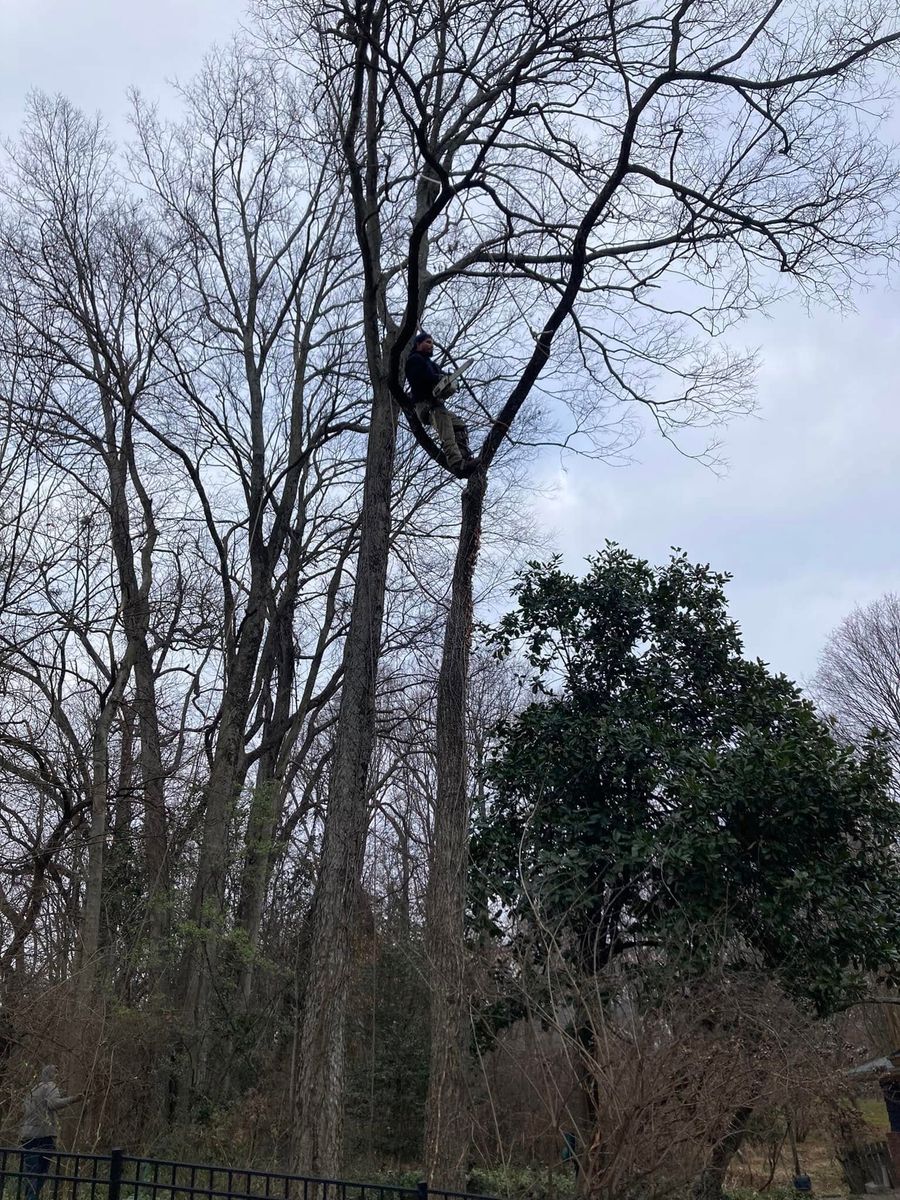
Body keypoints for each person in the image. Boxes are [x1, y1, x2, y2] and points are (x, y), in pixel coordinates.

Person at [404, 331, 474, 472]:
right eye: (428, 342)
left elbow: (441, 376)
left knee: (459, 425)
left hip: (436, 404)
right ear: (418, 344)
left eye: (432, 343)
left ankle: (464, 456)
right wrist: (437, 378)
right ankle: (456, 461)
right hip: (425, 405)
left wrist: (449, 378)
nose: (431, 345)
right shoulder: (414, 360)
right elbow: (421, 378)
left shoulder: (432, 365)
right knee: (446, 428)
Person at [20, 1066, 81, 1200]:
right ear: (51, 1075)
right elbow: (53, 1104)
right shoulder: (50, 1086)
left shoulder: (33, 1089)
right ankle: (31, 1197)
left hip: (27, 1135)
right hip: (43, 1135)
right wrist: (74, 1099)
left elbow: (25, 1109)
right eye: (56, 1073)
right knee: (41, 1172)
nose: (58, 1076)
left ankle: (29, 1196)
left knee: (31, 1173)